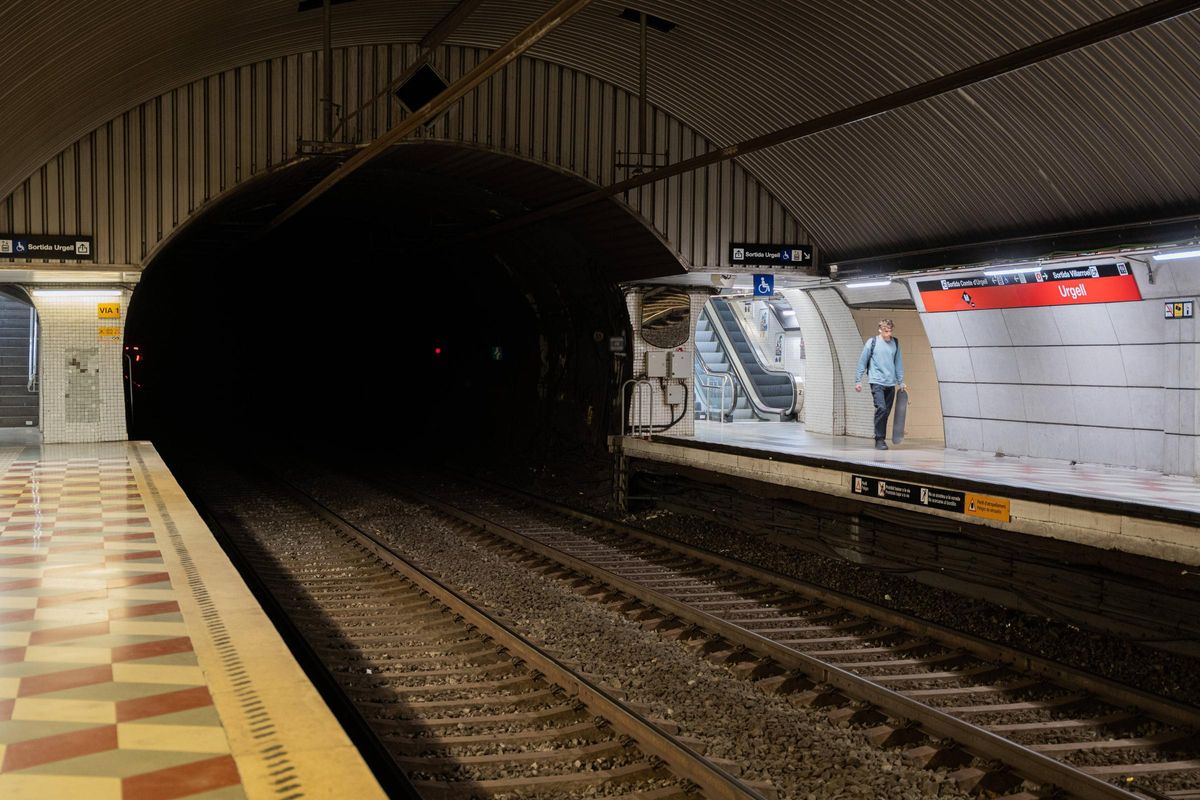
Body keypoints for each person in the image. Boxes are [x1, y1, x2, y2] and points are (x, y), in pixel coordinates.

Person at [855, 319, 906, 450]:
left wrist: (901, 382)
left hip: (890, 383)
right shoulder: (872, 343)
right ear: (880, 330)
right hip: (876, 381)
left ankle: (880, 438)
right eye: (886, 331)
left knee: (885, 413)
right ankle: (879, 439)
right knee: (881, 409)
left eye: (890, 331)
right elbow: (862, 361)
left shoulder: (895, 343)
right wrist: (858, 380)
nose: (888, 334)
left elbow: (898, 363)